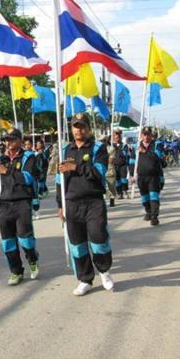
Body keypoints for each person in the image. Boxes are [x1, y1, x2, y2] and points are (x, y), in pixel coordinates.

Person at [56, 113, 113, 296]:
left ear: (88, 128)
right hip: (72, 203)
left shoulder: (98, 148)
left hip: (94, 201)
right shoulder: (65, 150)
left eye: (82, 126)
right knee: (77, 244)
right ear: (71, 128)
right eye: (75, 126)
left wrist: (76, 167)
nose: (78, 130)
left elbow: (99, 172)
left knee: (98, 238)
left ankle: (104, 271)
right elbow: (59, 181)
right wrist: (60, 205)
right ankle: (85, 279)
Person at [0, 128, 39, 286]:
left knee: (25, 239)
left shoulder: (28, 157)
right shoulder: (1, 159)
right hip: (5, 204)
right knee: (8, 241)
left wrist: (7, 171)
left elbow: (27, 178)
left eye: (12, 139)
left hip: (22, 202)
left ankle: (32, 259)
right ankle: (16, 271)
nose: (9, 142)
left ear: (20, 140)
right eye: (7, 139)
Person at [130, 127, 163, 226]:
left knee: (154, 196)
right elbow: (132, 162)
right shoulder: (136, 147)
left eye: (148, 134)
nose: (146, 136)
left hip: (154, 176)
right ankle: (148, 211)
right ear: (141, 135)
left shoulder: (157, 145)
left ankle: (154, 217)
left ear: (151, 135)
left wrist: (144, 151)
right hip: (141, 177)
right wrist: (131, 175)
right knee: (145, 198)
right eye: (144, 134)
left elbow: (158, 157)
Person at [113, 129, 130, 199]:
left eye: (119, 136)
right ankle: (119, 193)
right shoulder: (111, 145)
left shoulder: (124, 145)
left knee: (124, 179)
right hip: (115, 165)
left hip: (123, 165)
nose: (117, 137)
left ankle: (125, 191)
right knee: (117, 180)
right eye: (116, 136)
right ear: (114, 137)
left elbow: (126, 154)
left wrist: (118, 149)